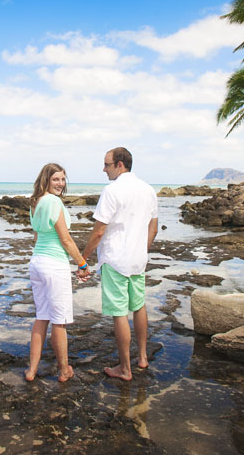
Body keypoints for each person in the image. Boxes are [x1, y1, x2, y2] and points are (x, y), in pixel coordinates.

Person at [81, 147, 158, 381]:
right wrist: (141, 250)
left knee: (119, 314)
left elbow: (99, 231)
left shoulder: (112, 190)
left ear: (120, 165)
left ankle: (125, 368)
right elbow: (152, 228)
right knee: (139, 306)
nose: (103, 169)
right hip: (138, 259)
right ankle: (142, 357)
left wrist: (83, 258)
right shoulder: (148, 190)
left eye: (107, 164)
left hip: (115, 259)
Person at [25, 163, 91, 382]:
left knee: (41, 317)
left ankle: (32, 370)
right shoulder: (53, 202)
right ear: (46, 180)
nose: (61, 184)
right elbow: (66, 240)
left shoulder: (35, 202)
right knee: (59, 321)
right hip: (54, 265)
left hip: (37, 263)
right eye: (56, 179)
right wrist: (82, 264)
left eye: (63, 179)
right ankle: (64, 370)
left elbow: (36, 237)